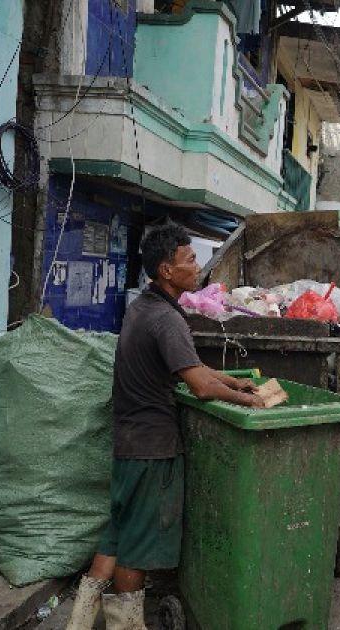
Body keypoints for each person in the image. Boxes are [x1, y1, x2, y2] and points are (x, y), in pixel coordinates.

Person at [66, 223, 265, 630]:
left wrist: (233, 380)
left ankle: (78, 623)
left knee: (117, 537)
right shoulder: (165, 319)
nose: (197, 266)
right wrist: (250, 399)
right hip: (152, 450)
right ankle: (127, 624)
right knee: (136, 550)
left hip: (128, 444)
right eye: (189, 259)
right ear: (166, 271)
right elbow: (198, 386)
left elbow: (192, 368)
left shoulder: (143, 308)